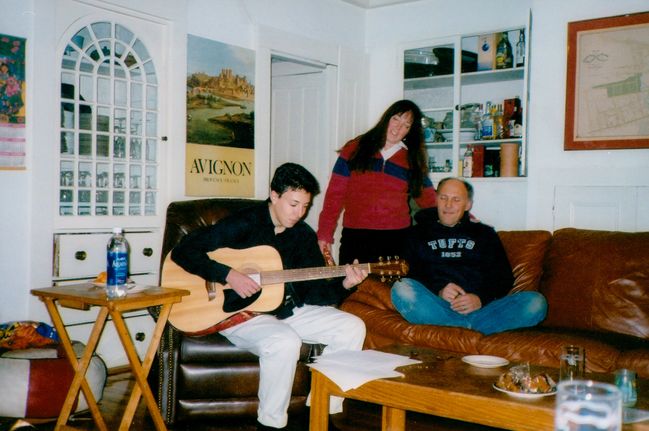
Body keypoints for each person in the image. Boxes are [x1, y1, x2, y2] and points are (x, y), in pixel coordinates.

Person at [171, 162, 368, 430]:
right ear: (274, 195)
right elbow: (185, 251)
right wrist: (228, 274)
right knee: (284, 341)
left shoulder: (302, 235)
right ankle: (271, 425)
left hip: (286, 311)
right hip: (240, 315)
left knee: (352, 326)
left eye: (305, 206)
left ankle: (321, 412)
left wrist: (346, 282)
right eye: (293, 204)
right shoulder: (244, 223)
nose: (299, 213)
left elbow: (317, 294)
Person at [390, 177, 547, 335]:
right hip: (438, 307)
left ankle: (455, 331)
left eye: (456, 199)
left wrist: (480, 299)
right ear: (436, 200)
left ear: (468, 205)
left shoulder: (485, 234)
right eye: (443, 198)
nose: (448, 205)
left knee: (535, 302)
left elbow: (503, 278)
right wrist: (438, 291)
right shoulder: (417, 234)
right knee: (402, 288)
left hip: (483, 311)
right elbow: (409, 272)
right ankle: (467, 331)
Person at [317, 99, 437, 267]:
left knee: (390, 292)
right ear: (386, 118)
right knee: (352, 290)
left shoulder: (412, 159)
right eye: (396, 119)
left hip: (397, 238)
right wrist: (324, 234)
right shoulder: (354, 149)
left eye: (406, 125)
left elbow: (429, 199)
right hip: (356, 237)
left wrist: (462, 215)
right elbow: (334, 196)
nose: (397, 129)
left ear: (410, 131)